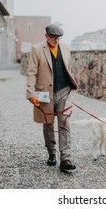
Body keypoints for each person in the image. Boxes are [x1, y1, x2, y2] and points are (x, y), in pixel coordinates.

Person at [26, 24, 78, 173]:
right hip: (45, 94)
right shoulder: (37, 49)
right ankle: (51, 153)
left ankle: (65, 158)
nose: (56, 40)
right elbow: (31, 73)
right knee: (48, 124)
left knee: (64, 123)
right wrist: (31, 94)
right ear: (46, 36)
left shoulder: (66, 48)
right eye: (53, 37)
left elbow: (69, 69)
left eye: (59, 37)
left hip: (64, 91)